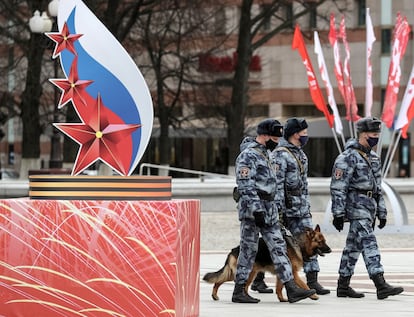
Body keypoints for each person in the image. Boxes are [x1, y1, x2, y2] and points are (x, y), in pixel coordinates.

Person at [232, 118, 315, 304]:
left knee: (279, 248)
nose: (277, 142)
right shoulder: (248, 156)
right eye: (274, 139)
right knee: (248, 250)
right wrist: (257, 210)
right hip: (252, 212)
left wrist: (276, 210)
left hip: (269, 211)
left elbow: (273, 186)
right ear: (264, 135)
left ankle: (291, 288)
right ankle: (239, 290)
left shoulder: (267, 154)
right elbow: (245, 186)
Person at [330, 116, 404, 300]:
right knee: (369, 243)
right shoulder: (347, 157)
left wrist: (382, 212)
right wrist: (338, 213)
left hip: (369, 208)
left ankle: (343, 285)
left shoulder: (374, 158)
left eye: (378, 134)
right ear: (362, 134)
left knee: (353, 247)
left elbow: (377, 188)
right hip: (356, 207)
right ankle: (380, 283)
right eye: (373, 134)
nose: (376, 137)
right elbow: (338, 186)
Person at [272, 117, 330, 295]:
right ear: (295, 134)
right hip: (286, 209)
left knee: (309, 243)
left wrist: (306, 207)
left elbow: (304, 186)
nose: (306, 135)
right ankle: (260, 278)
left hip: (301, 209)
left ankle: (312, 281)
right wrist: (279, 212)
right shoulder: (280, 154)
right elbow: (277, 185)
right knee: (276, 244)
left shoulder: (301, 154)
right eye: (304, 132)